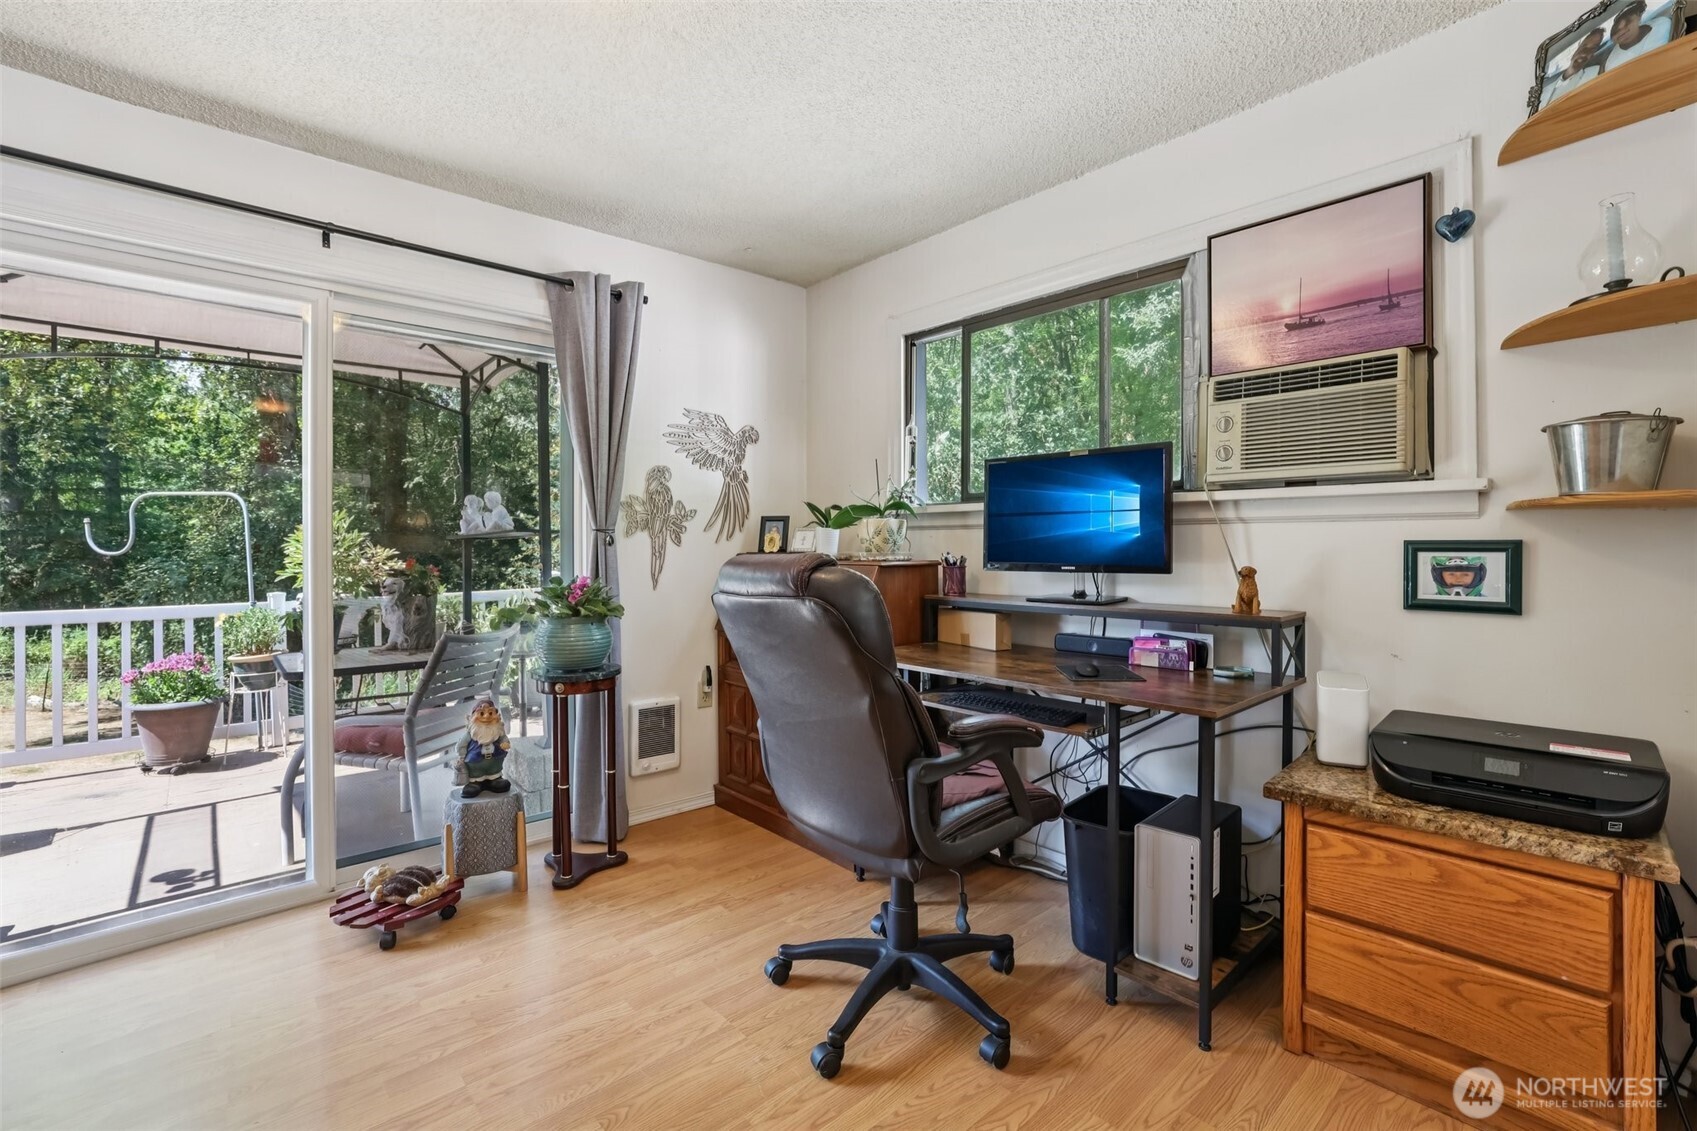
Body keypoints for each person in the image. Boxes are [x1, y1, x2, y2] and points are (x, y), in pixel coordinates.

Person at [1545, 27, 1606, 105]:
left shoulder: (1595, 74)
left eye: (1592, 49)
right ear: (1574, 48)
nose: (1584, 53)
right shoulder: (1545, 89)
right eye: (1583, 47)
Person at [1606, 0, 1672, 69]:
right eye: (1616, 30)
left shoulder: (1661, 24)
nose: (1623, 31)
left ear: (1638, 15)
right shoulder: (1613, 65)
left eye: (1628, 21)